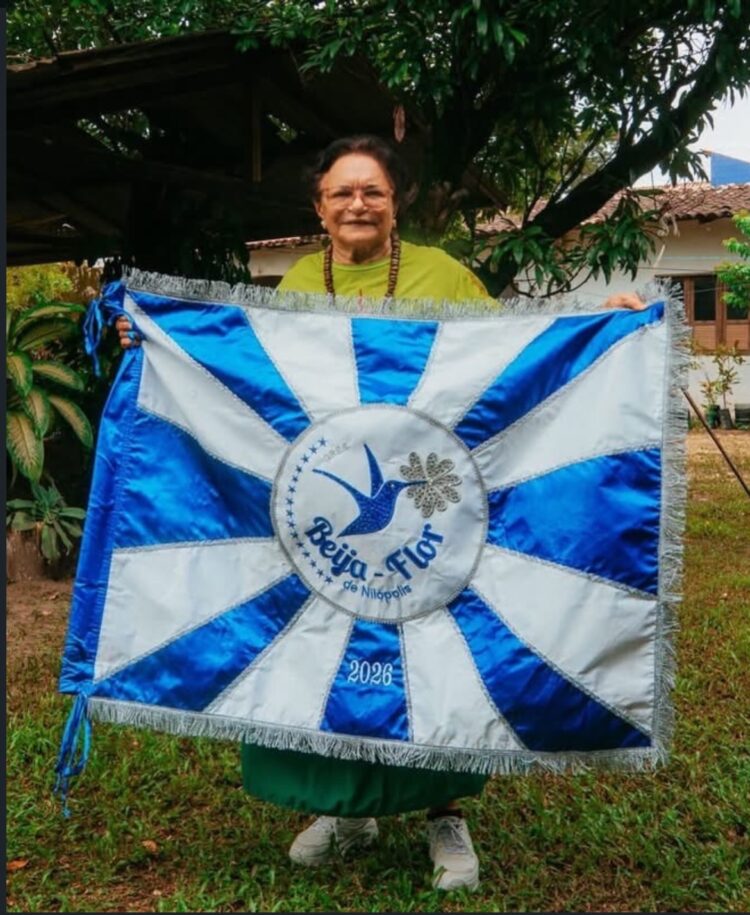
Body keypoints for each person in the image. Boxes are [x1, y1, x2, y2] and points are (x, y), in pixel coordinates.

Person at [116, 134, 644, 891]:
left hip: (428, 516)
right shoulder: (297, 279)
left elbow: (508, 362)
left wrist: (603, 324)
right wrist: (154, 339)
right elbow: (250, 379)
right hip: (324, 512)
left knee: (432, 658)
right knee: (326, 646)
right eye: (342, 193)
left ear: (396, 205)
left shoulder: (444, 274)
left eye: (373, 192)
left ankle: (445, 814)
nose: (357, 204)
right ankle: (347, 808)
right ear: (319, 206)